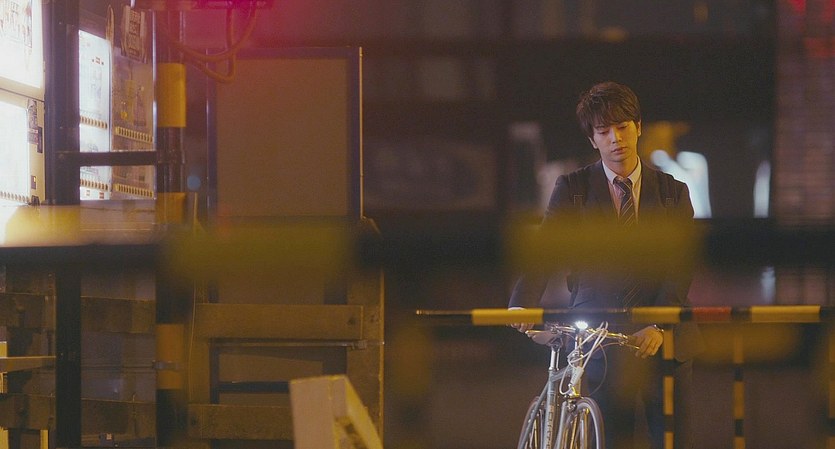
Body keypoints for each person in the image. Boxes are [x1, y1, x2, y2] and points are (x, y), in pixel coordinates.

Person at [508, 81, 703, 449]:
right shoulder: (574, 188)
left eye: (623, 127)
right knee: (610, 437)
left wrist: (658, 323)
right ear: (592, 139)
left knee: (672, 438)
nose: (616, 138)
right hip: (598, 333)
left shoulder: (672, 191)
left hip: (664, 338)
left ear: (638, 127)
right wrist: (522, 303)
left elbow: (681, 266)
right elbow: (545, 251)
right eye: (604, 131)